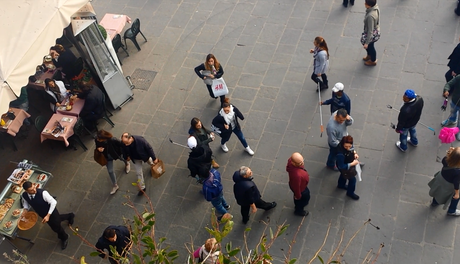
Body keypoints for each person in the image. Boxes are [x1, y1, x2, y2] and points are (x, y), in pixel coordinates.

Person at [21, 181, 74, 250]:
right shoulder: (24, 195)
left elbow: (53, 202)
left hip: (51, 212)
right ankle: (70, 216)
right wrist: (25, 210)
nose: (34, 190)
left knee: (56, 227)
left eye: (34, 187)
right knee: (57, 219)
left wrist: (48, 215)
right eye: (31, 190)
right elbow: (26, 202)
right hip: (42, 214)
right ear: (26, 191)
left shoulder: (43, 193)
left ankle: (64, 237)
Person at [95, 129, 130, 194]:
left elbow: (122, 145)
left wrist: (126, 154)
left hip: (116, 154)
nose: (98, 140)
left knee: (123, 159)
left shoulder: (113, 140)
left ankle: (127, 164)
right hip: (106, 157)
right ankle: (115, 185)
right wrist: (98, 149)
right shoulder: (97, 139)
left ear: (104, 138)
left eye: (100, 139)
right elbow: (97, 146)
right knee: (110, 171)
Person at [429, 147, 460, 216]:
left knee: (438, 191)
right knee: (455, 198)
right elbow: (456, 183)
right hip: (448, 185)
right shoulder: (457, 172)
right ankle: (452, 210)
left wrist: (453, 152)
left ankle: (435, 202)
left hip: (441, 179)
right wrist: (457, 193)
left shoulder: (445, 159)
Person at [336, 136, 361, 200]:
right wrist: (352, 164)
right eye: (346, 147)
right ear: (342, 144)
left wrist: (354, 153)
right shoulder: (340, 154)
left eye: (349, 146)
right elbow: (341, 166)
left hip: (346, 164)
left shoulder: (346, 146)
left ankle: (341, 185)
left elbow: (352, 150)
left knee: (343, 175)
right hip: (345, 167)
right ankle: (350, 193)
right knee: (353, 180)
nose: (348, 148)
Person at [362, 0, 380, 66]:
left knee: (370, 46)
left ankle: (373, 60)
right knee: (370, 46)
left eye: (366, 3)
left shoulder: (370, 16)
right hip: (376, 29)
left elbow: (370, 31)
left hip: (371, 34)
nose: (364, 4)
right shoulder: (376, 7)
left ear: (369, 5)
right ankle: (369, 55)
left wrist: (367, 42)